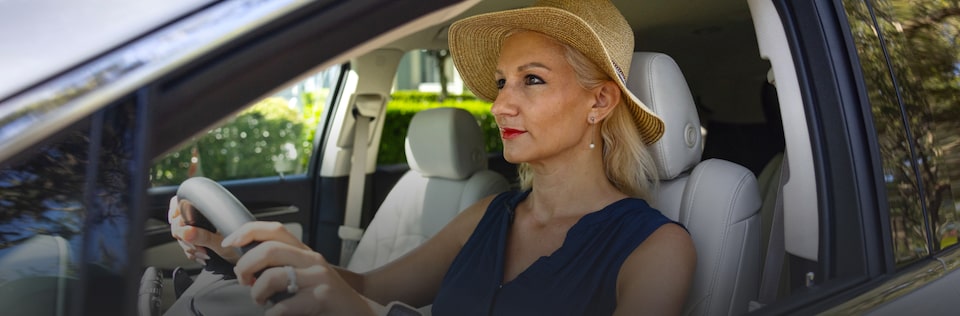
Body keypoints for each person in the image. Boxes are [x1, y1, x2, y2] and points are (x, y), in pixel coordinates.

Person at [167, 0, 696, 314]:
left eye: (532, 80)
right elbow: (369, 287)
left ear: (599, 102)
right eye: (501, 83)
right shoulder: (489, 215)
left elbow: (365, 304)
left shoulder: (656, 249)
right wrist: (256, 253)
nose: (500, 104)